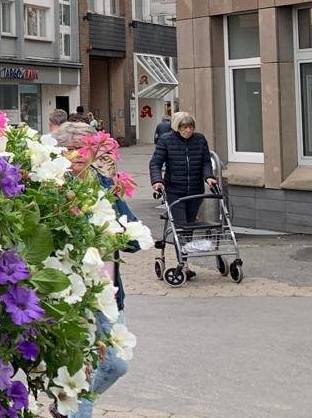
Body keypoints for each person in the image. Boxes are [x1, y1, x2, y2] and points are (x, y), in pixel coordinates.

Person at [52, 124, 140, 418]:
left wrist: (116, 236)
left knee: (116, 364)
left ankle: (66, 401)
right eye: (70, 149)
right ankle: (73, 403)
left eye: (83, 148)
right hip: (71, 294)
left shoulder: (105, 185)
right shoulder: (53, 187)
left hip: (107, 292)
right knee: (82, 370)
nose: (77, 155)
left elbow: (133, 234)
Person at [149, 111, 217, 230]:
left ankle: (187, 242)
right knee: (181, 225)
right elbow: (155, 163)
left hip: (196, 189)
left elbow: (206, 162)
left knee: (190, 223)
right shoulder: (166, 140)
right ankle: (182, 241)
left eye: (191, 127)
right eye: (184, 127)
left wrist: (208, 176)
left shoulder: (200, 139)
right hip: (174, 190)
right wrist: (157, 180)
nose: (188, 130)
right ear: (177, 127)